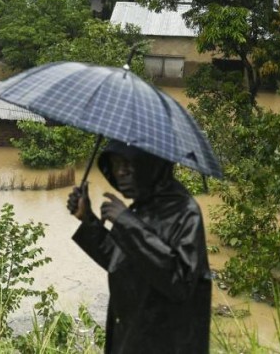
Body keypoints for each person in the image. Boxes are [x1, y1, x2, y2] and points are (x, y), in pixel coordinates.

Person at [67, 139, 212, 353]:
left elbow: (180, 282)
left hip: (167, 343)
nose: (120, 172)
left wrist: (126, 223)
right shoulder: (142, 208)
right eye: (115, 164)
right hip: (132, 336)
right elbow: (123, 264)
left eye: (128, 164)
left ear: (150, 164)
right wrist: (88, 219)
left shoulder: (184, 211)